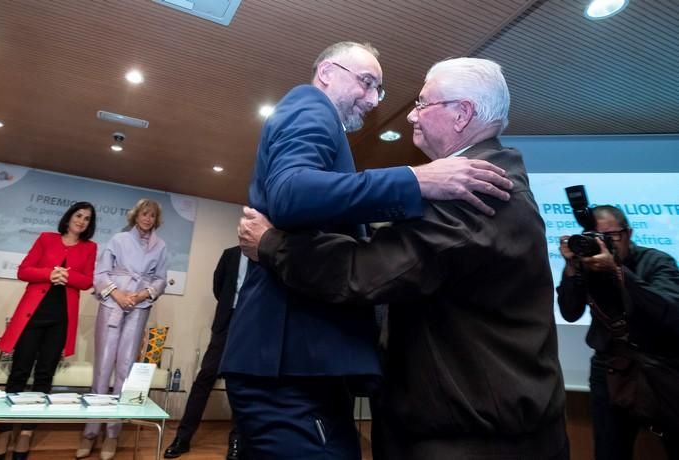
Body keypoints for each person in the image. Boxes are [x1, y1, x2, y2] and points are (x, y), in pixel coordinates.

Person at [237, 57, 569, 459]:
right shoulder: (481, 182)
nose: (410, 114)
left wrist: (271, 243)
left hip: (471, 440)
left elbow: (368, 273)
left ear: (461, 113)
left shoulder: (476, 190)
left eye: (423, 103)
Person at [557, 205, 679, 460]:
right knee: (609, 452)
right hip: (609, 368)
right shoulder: (585, 267)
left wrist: (616, 270)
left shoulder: (657, 261)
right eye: (597, 238)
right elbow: (569, 313)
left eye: (611, 236)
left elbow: (669, 311)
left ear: (629, 233)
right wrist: (571, 269)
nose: (605, 244)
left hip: (662, 367)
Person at [0, 202, 97, 460]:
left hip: (61, 319)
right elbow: (23, 270)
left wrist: (67, 277)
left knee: (44, 375)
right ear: (69, 217)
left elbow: (87, 280)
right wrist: (50, 274)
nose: (82, 221)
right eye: (78, 215)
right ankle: (4, 431)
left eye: (87, 219)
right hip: (33, 315)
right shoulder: (46, 239)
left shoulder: (90, 247)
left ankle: (26, 432)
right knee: (19, 371)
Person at [77, 199, 168, 460]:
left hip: (139, 306)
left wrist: (140, 295)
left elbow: (161, 278)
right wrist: (118, 294)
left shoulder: (160, 246)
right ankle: (90, 432)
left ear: (156, 219)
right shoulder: (118, 239)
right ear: (135, 216)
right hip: (112, 302)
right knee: (103, 366)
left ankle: (113, 434)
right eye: (144, 214)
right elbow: (100, 273)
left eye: (152, 215)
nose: (147, 219)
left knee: (125, 368)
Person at [164, 246, 248, 460]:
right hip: (225, 322)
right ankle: (183, 438)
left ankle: (237, 442)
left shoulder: (265, 257)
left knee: (241, 384)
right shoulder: (231, 254)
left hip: (252, 326)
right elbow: (218, 287)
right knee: (205, 377)